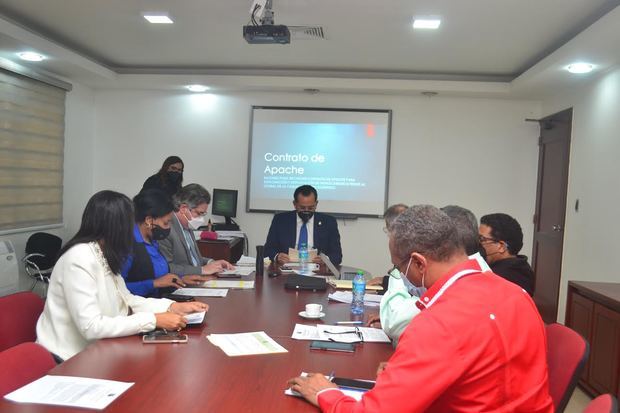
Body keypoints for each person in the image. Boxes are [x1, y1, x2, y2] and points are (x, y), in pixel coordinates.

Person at [289, 205, 553, 412]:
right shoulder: (516, 294)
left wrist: (325, 393)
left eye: (398, 266)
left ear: (418, 263)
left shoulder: (437, 322)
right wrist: (410, 373)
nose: (400, 274)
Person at [36, 190, 208, 361]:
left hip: (101, 349)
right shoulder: (78, 259)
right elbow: (91, 326)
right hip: (69, 358)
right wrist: (153, 320)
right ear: (114, 227)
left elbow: (127, 300)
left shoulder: (105, 252)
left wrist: (171, 307)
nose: (132, 231)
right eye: (129, 225)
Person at [371, 204, 491, 343]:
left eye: (399, 266)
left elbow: (395, 322)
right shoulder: (490, 281)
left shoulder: (455, 296)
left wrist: (396, 275)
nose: (401, 272)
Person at [121, 189, 209, 297]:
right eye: (166, 223)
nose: (169, 227)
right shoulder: (128, 246)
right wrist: (154, 284)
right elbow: (117, 290)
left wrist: (180, 279)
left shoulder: (152, 240)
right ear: (149, 220)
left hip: (160, 301)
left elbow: (163, 276)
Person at [159, 183, 234, 276]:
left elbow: (193, 260)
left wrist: (211, 262)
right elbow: (167, 268)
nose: (201, 219)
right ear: (183, 208)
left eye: (203, 214)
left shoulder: (187, 226)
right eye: (199, 213)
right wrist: (202, 270)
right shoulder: (165, 229)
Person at [264, 185, 342, 265]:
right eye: (302, 208)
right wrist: (277, 256)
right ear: (295, 204)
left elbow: (337, 255)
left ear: (316, 204)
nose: (306, 211)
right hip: (287, 269)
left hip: (317, 270)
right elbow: (268, 250)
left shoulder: (328, 222)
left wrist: (326, 260)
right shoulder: (280, 220)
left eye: (310, 208)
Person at [480, 213, 535, 295]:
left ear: (501, 246)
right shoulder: (519, 265)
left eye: (481, 239)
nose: (477, 243)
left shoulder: (504, 278)